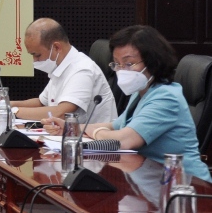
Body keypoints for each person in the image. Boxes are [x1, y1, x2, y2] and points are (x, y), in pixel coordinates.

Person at [43, 25, 212, 181]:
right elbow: (117, 125)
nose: (121, 70)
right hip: (153, 177)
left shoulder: (166, 97)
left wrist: (97, 132)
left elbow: (124, 140)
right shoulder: (142, 91)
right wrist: (70, 128)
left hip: (187, 186)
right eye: (117, 64)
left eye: (129, 63)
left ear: (153, 62)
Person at [0, 18, 117, 124]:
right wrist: (5, 104)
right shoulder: (61, 66)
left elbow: (60, 113)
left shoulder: (82, 70)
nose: (35, 61)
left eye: (37, 55)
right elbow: (41, 102)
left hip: (90, 148)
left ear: (56, 47)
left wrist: (10, 111)